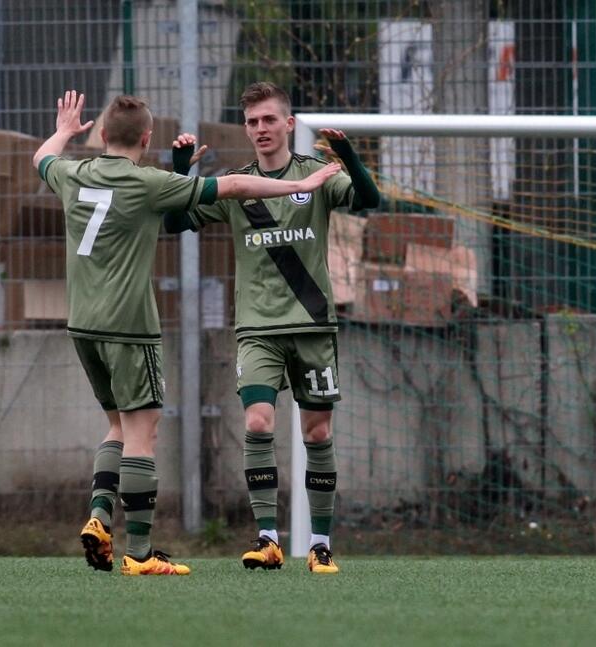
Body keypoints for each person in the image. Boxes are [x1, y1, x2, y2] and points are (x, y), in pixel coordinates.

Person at [33, 90, 341, 576]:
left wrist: (65, 131)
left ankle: (97, 516)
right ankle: (138, 552)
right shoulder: (149, 183)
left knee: (115, 427)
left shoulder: (72, 173)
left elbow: (43, 157)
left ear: (103, 135)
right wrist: (305, 184)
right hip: (129, 326)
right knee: (142, 431)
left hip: (81, 325)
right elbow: (237, 186)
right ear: (147, 138)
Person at [166, 81, 380, 574]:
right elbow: (175, 224)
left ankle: (320, 545)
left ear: (288, 124)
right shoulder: (239, 184)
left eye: (268, 120)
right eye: (252, 122)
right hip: (258, 326)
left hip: (313, 325)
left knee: (318, 432)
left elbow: (368, 200)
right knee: (258, 421)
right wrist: (180, 172)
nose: (260, 129)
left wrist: (348, 155)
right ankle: (267, 538)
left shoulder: (317, 175)